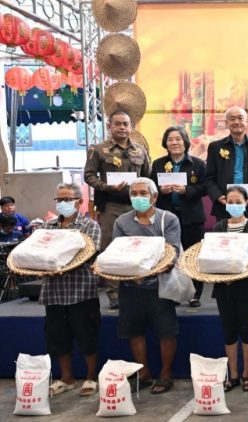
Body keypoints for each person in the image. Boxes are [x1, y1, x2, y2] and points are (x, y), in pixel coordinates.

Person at [110, 177, 180, 395]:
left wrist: (147, 270)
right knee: (134, 331)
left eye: (143, 193)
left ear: (154, 197)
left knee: (166, 331)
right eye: (134, 194)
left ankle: (165, 374)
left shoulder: (168, 219)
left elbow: (171, 252)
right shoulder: (121, 222)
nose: (138, 197)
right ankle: (144, 374)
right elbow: (117, 252)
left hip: (159, 285)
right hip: (130, 286)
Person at [84, 110, 152, 309]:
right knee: (111, 247)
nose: (122, 127)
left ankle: (139, 289)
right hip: (111, 205)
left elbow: (147, 177)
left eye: (125, 124)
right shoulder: (98, 150)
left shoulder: (140, 150)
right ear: (109, 126)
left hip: (137, 205)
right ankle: (114, 293)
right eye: (118, 124)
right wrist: (106, 187)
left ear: (131, 127)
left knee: (138, 246)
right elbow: (88, 175)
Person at [41, 183, 102, 397]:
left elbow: (89, 253)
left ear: (79, 201)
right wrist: (45, 265)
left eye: (67, 199)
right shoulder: (47, 226)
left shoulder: (90, 226)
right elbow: (40, 252)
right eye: (59, 199)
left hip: (81, 290)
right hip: (53, 292)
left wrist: (59, 264)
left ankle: (91, 377)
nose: (62, 203)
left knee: (87, 336)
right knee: (58, 337)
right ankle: (66, 378)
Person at [211, 186, 248, 392]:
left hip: (246, 287)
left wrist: (236, 274)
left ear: (246, 203)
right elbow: (212, 254)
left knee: (246, 331)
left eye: (238, 202)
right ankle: (232, 375)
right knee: (229, 332)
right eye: (230, 202)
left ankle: (247, 374)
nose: (234, 205)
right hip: (222, 287)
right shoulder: (218, 227)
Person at [150, 125, 207, 307]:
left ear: (185, 142)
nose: (174, 143)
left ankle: (195, 294)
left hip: (192, 217)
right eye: (170, 140)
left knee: (192, 255)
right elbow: (151, 188)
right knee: (169, 255)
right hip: (166, 217)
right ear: (165, 143)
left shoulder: (198, 164)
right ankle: (173, 293)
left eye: (178, 139)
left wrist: (186, 190)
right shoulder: (158, 164)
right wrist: (160, 191)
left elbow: (205, 188)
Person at [204, 106, 248, 222]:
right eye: (232, 119)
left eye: (240, 118)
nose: (236, 122)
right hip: (224, 204)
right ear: (226, 123)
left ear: (247, 121)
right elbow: (209, 177)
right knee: (224, 234)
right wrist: (218, 196)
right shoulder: (215, 147)